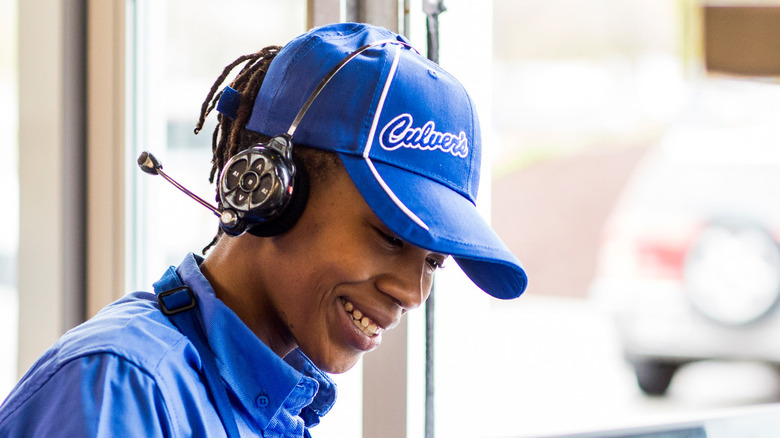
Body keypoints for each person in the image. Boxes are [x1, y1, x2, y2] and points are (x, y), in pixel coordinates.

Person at [0, 22, 527, 437]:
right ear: (273, 192)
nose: (412, 292)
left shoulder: (271, 404)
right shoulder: (123, 390)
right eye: (390, 236)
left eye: (433, 261)